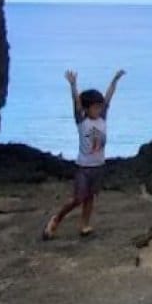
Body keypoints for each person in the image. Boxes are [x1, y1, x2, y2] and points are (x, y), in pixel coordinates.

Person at [41, 67, 124, 239]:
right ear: (87, 108)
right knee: (78, 198)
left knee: (90, 197)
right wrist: (73, 85)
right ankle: (56, 219)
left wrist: (115, 80)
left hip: (99, 166)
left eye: (100, 107)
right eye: (95, 107)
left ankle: (84, 224)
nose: (99, 110)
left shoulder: (102, 118)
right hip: (83, 167)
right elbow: (76, 103)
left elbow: (108, 98)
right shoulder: (82, 122)